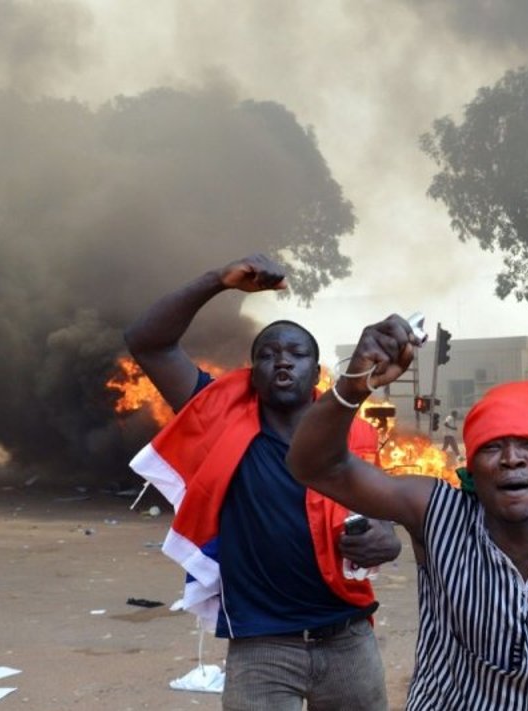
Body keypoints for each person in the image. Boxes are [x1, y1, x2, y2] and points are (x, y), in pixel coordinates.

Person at [286, 315, 528, 710]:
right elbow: (316, 466)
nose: (511, 459)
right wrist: (354, 383)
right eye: (492, 447)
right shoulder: (436, 513)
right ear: (471, 466)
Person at [125, 255, 402, 710]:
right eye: (268, 354)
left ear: (317, 372)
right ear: (252, 372)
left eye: (296, 353)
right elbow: (147, 343)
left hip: (348, 638)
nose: (282, 362)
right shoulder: (218, 417)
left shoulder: (353, 435)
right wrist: (218, 280)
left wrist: (385, 540)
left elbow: (381, 520)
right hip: (261, 646)